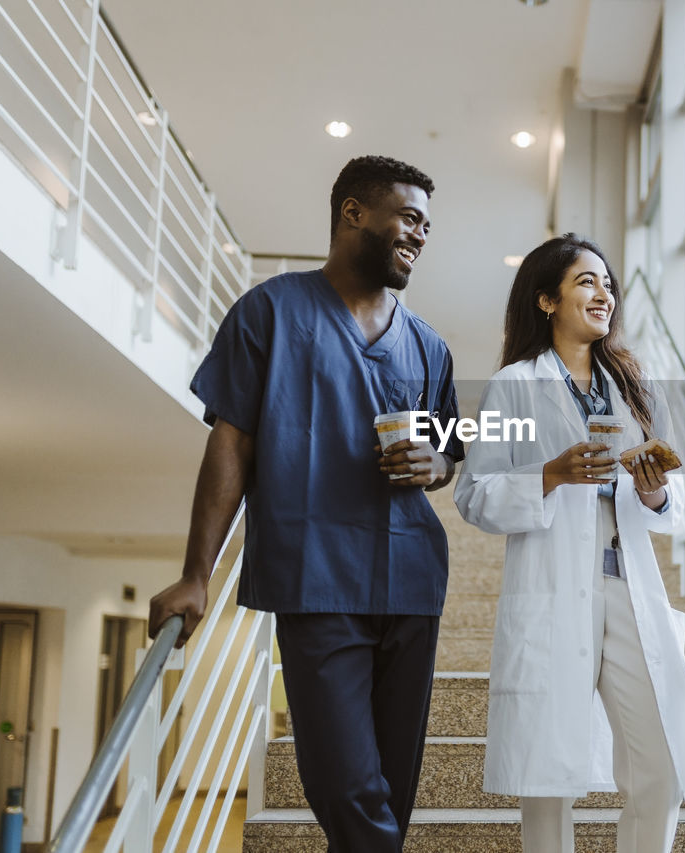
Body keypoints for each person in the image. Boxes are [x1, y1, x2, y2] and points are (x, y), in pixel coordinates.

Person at [147, 155, 462, 852]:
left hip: (411, 582)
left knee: (389, 792)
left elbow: (448, 456)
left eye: (427, 226)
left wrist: (434, 463)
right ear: (353, 212)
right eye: (409, 217)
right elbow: (231, 444)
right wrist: (197, 572)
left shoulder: (429, 346)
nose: (420, 235)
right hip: (314, 577)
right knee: (345, 784)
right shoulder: (271, 310)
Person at [454, 234, 685, 852]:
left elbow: (664, 504)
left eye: (608, 283)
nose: (605, 294)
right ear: (547, 300)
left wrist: (653, 492)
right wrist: (551, 474)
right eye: (586, 282)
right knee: (547, 783)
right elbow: (474, 494)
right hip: (552, 585)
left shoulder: (635, 386)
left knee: (663, 768)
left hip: (627, 584)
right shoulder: (515, 384)